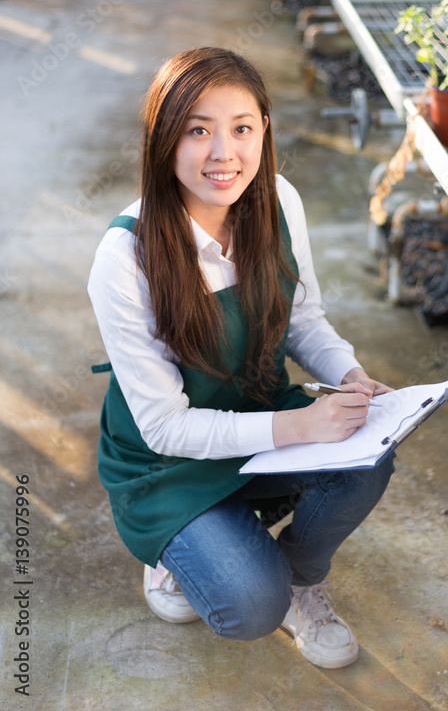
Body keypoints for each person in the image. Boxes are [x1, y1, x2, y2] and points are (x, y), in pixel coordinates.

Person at [88, 46, 394, 670]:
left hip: (258, 413)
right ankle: (177, 549)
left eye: (242, 128)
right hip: (166, 462)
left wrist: (351, 376)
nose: (224, 153)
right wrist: (300, 426)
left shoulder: (278, 200)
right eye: (198, 130)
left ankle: (301, 581)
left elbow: (303, 318)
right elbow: (166, 426)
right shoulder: (126, 257)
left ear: (263, 133)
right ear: (163, 141)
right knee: (248, 608)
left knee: (369, 457)